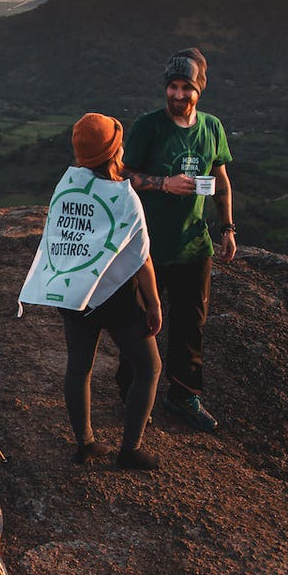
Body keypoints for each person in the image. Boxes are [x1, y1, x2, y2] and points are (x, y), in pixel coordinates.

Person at [19, 113, 164, 469]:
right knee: (149, 367)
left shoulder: (66, 187)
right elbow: (141, 259)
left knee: (79, 367)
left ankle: (85, 445)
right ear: (116, 151)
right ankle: (129, 450)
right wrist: (154, 303)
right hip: (118, 299)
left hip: (75, 294)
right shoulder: (125, 199)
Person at [119, 47, 235, 432]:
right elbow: (124, 176)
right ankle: (134, 394)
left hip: (193, 246)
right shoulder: (149, 126)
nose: (178, 94)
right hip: (146, 246)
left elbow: (221, 181)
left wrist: (227, 228)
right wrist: (163, 183)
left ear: (199, 90)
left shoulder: (212, 128)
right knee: (137, 323)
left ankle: (183, 394)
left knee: (191, 324)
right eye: (173, 86)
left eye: (187, 87)